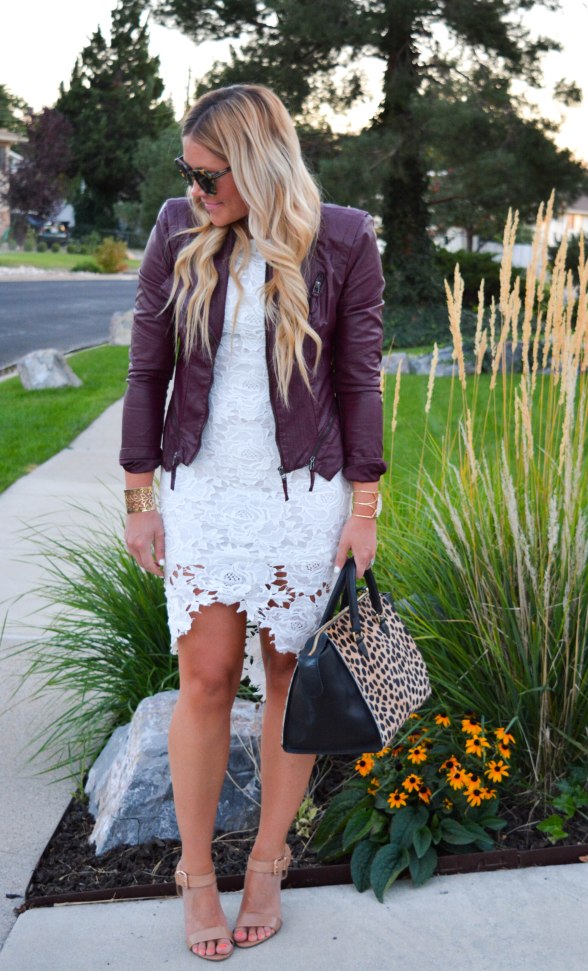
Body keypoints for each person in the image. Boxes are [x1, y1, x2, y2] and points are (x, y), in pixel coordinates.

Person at [120, 83, 386, 962]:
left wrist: (364, 510)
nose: (194, 191)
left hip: (301, 498)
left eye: (209, 175)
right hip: (202, 487)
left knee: (285, 678)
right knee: (205, 674)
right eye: (186, 174)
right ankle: (197, 873)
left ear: (257, 162)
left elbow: (359, 382)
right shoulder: (177, 229)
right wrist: (139, 498)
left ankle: (267, 860)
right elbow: (145, 367)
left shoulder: (344, 239)